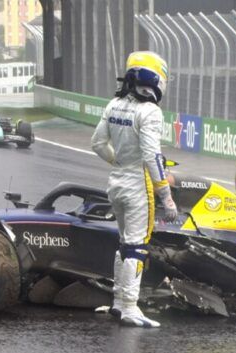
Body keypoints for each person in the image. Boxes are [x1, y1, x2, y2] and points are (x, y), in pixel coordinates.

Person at [91, 51, 179, 328]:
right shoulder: (150, 111)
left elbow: (97, 143)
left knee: (124, 243)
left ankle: (119, 302)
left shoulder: (113, 105)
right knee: (137, 247)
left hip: (115, 182)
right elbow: (153, 155)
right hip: (138, 184)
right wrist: (166, 194)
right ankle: (130, 306)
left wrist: (118, 162)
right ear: (155, 78)